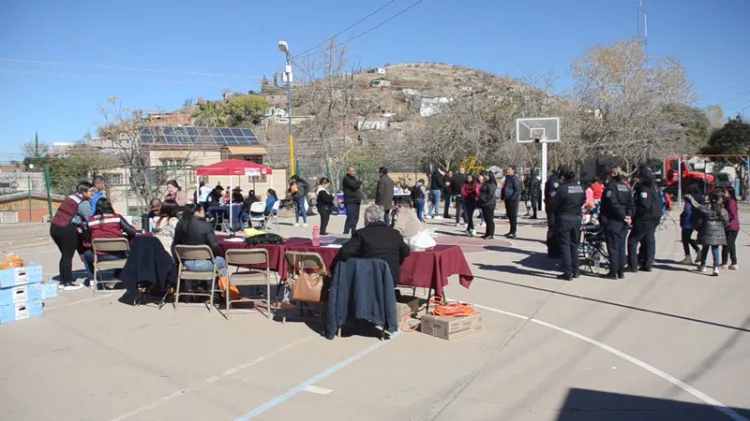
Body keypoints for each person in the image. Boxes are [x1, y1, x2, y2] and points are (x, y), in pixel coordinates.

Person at [339, 204, 410, 286]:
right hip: (391, 278)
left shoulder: (361, 233)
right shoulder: (394, 233)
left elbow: (344, 252)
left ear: (368, 218)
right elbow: (406, 252)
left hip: (368, 278)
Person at [50, 181, 94, 290]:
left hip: (55, 227)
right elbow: (89, 218)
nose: (93, 193)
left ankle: (63, 281)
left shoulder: (71, 198)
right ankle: (68, 283)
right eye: (91, 191)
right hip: (66, 228)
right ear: (84, 191)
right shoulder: (82, 203)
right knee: (68, 256)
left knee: (65, 255)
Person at [83, 198, 137, 287]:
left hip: (99, 256)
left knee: (85, 254)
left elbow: (87, 239)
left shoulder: (91, 221)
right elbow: (132, 231)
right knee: (131, 250)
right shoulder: (117, 218)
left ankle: (92, 280)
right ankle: (118, 276)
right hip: (120, 255)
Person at [547, 167, 586, 280]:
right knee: (575, 245)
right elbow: (583, 201)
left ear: (563, 177)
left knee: (565, 246)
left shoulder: (562, 189)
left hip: (564, 218)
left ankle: (567, 272)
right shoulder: (581, 188)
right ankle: (576, 270)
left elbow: (553, 204)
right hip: (577, 218)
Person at [599, 167, 635, 280]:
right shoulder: (625, 186)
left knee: (613, 246)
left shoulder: (611, 187)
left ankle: (613, 271)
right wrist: (629, 215)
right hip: (623, 221)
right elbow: (631, 203)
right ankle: (620, 271)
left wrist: (624, 216)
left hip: (613, 220)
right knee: (621, 246)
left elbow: (612, 203)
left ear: (612, 174)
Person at [172, 203, 226, 275]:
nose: (205, 213)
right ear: (197, 213)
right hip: (204, 262)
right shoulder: (206, 225)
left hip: (186, 263)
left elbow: (175, 244)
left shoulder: (180, 224)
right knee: (222, 261)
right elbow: (215, 246)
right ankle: (222, 285)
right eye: (203, 211)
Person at [627, 168, 661, 272]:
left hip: (644, 218)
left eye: (639, 177)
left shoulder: (644, 189)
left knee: (632, 241)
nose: (638, 179)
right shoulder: (655, 187)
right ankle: (648, 263)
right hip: (654, 217)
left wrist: (634, 215)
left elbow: (643, 205)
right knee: (648, 240)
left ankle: (633, 265)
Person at [687, 192, 728, 276]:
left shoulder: (705, 207)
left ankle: (703, 265)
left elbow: (699, 215)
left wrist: (698, 228)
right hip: (718, 232)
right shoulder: (722, 209)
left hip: (706, 230)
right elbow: (726, 221)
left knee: (705, 248)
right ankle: (715, 268)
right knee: (715, 249)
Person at [679, 185, 703, 264]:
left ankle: (688, 256)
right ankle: (698, 250)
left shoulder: (689, 199)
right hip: (695, 220)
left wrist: (682, 215)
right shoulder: (700, 198)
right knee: (688, 238)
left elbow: (687, 210)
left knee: (684, 239)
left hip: (688, 221)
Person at [721, 187, 739, 270]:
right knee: (731, 245)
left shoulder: (730, 201)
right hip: (732, 226)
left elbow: (732, 214)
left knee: (726, 245)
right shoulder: (728, 201)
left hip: (731, 226)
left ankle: (724, 263)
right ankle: (734, 263)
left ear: (729, 193)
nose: (723, 193)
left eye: (724, 192)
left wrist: (724, 219)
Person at [342, 167, 363, 234]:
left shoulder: (353, 178)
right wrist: (359, 182)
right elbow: (354, 186)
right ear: (348, 171)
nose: (354, 172)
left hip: (356, 201)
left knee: (356, 217)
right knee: (350, 217)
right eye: (352, 171)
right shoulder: (346, 179)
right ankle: (346, 232)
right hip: (350, 201)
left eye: (354, 171)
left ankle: (353, 231)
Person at [502, 167, 521, 239]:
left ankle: (514, 232)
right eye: (507, 170)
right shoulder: (507, 178)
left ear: (513, 171)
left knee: (513, 216)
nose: (508, 171)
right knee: (509, 215)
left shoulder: (515, 179)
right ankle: (511, 231)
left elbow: (517, 190)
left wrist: (512, 198)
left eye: (509, 170)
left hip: (512, 200)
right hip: (507, 199)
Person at [478, 171, 498, 240]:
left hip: (489, 203)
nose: (485, 176)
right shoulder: (486, 183)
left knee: (490, 219)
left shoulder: (492, 183)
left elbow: (490, 194)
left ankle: (491, 234)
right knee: (486, 219)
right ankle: (487, 233)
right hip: (484, 203)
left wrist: (483, 199)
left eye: (486, 175)